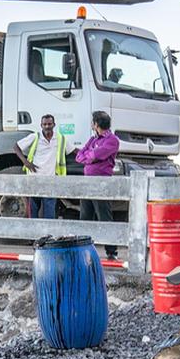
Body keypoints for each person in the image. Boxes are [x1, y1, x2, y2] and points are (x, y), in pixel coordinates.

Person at [75, 110, 121, 259]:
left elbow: (96, 155)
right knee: (85, 215)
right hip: (88, 181)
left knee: (104, 215)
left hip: (101, 182)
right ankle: (83, 249)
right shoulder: (92, 140)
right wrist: (91, 157)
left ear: (96, 124)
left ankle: (111, 251)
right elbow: (79, 156)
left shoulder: (112, 140)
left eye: (92, 122)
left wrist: (90, 156)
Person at [14, 114, 75, 219]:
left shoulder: (60, 138)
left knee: (49, 212)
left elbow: (74, 151)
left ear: (54, 125)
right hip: (34, 180)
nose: (47, 126)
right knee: (33, 211)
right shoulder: (35, 137)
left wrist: (90, 156)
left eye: (49, 124)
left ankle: (48, 234)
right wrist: (25, 162)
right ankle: (33, 234)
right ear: (41, 125)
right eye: (45, 124)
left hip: (51, 180)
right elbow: (16, 146)